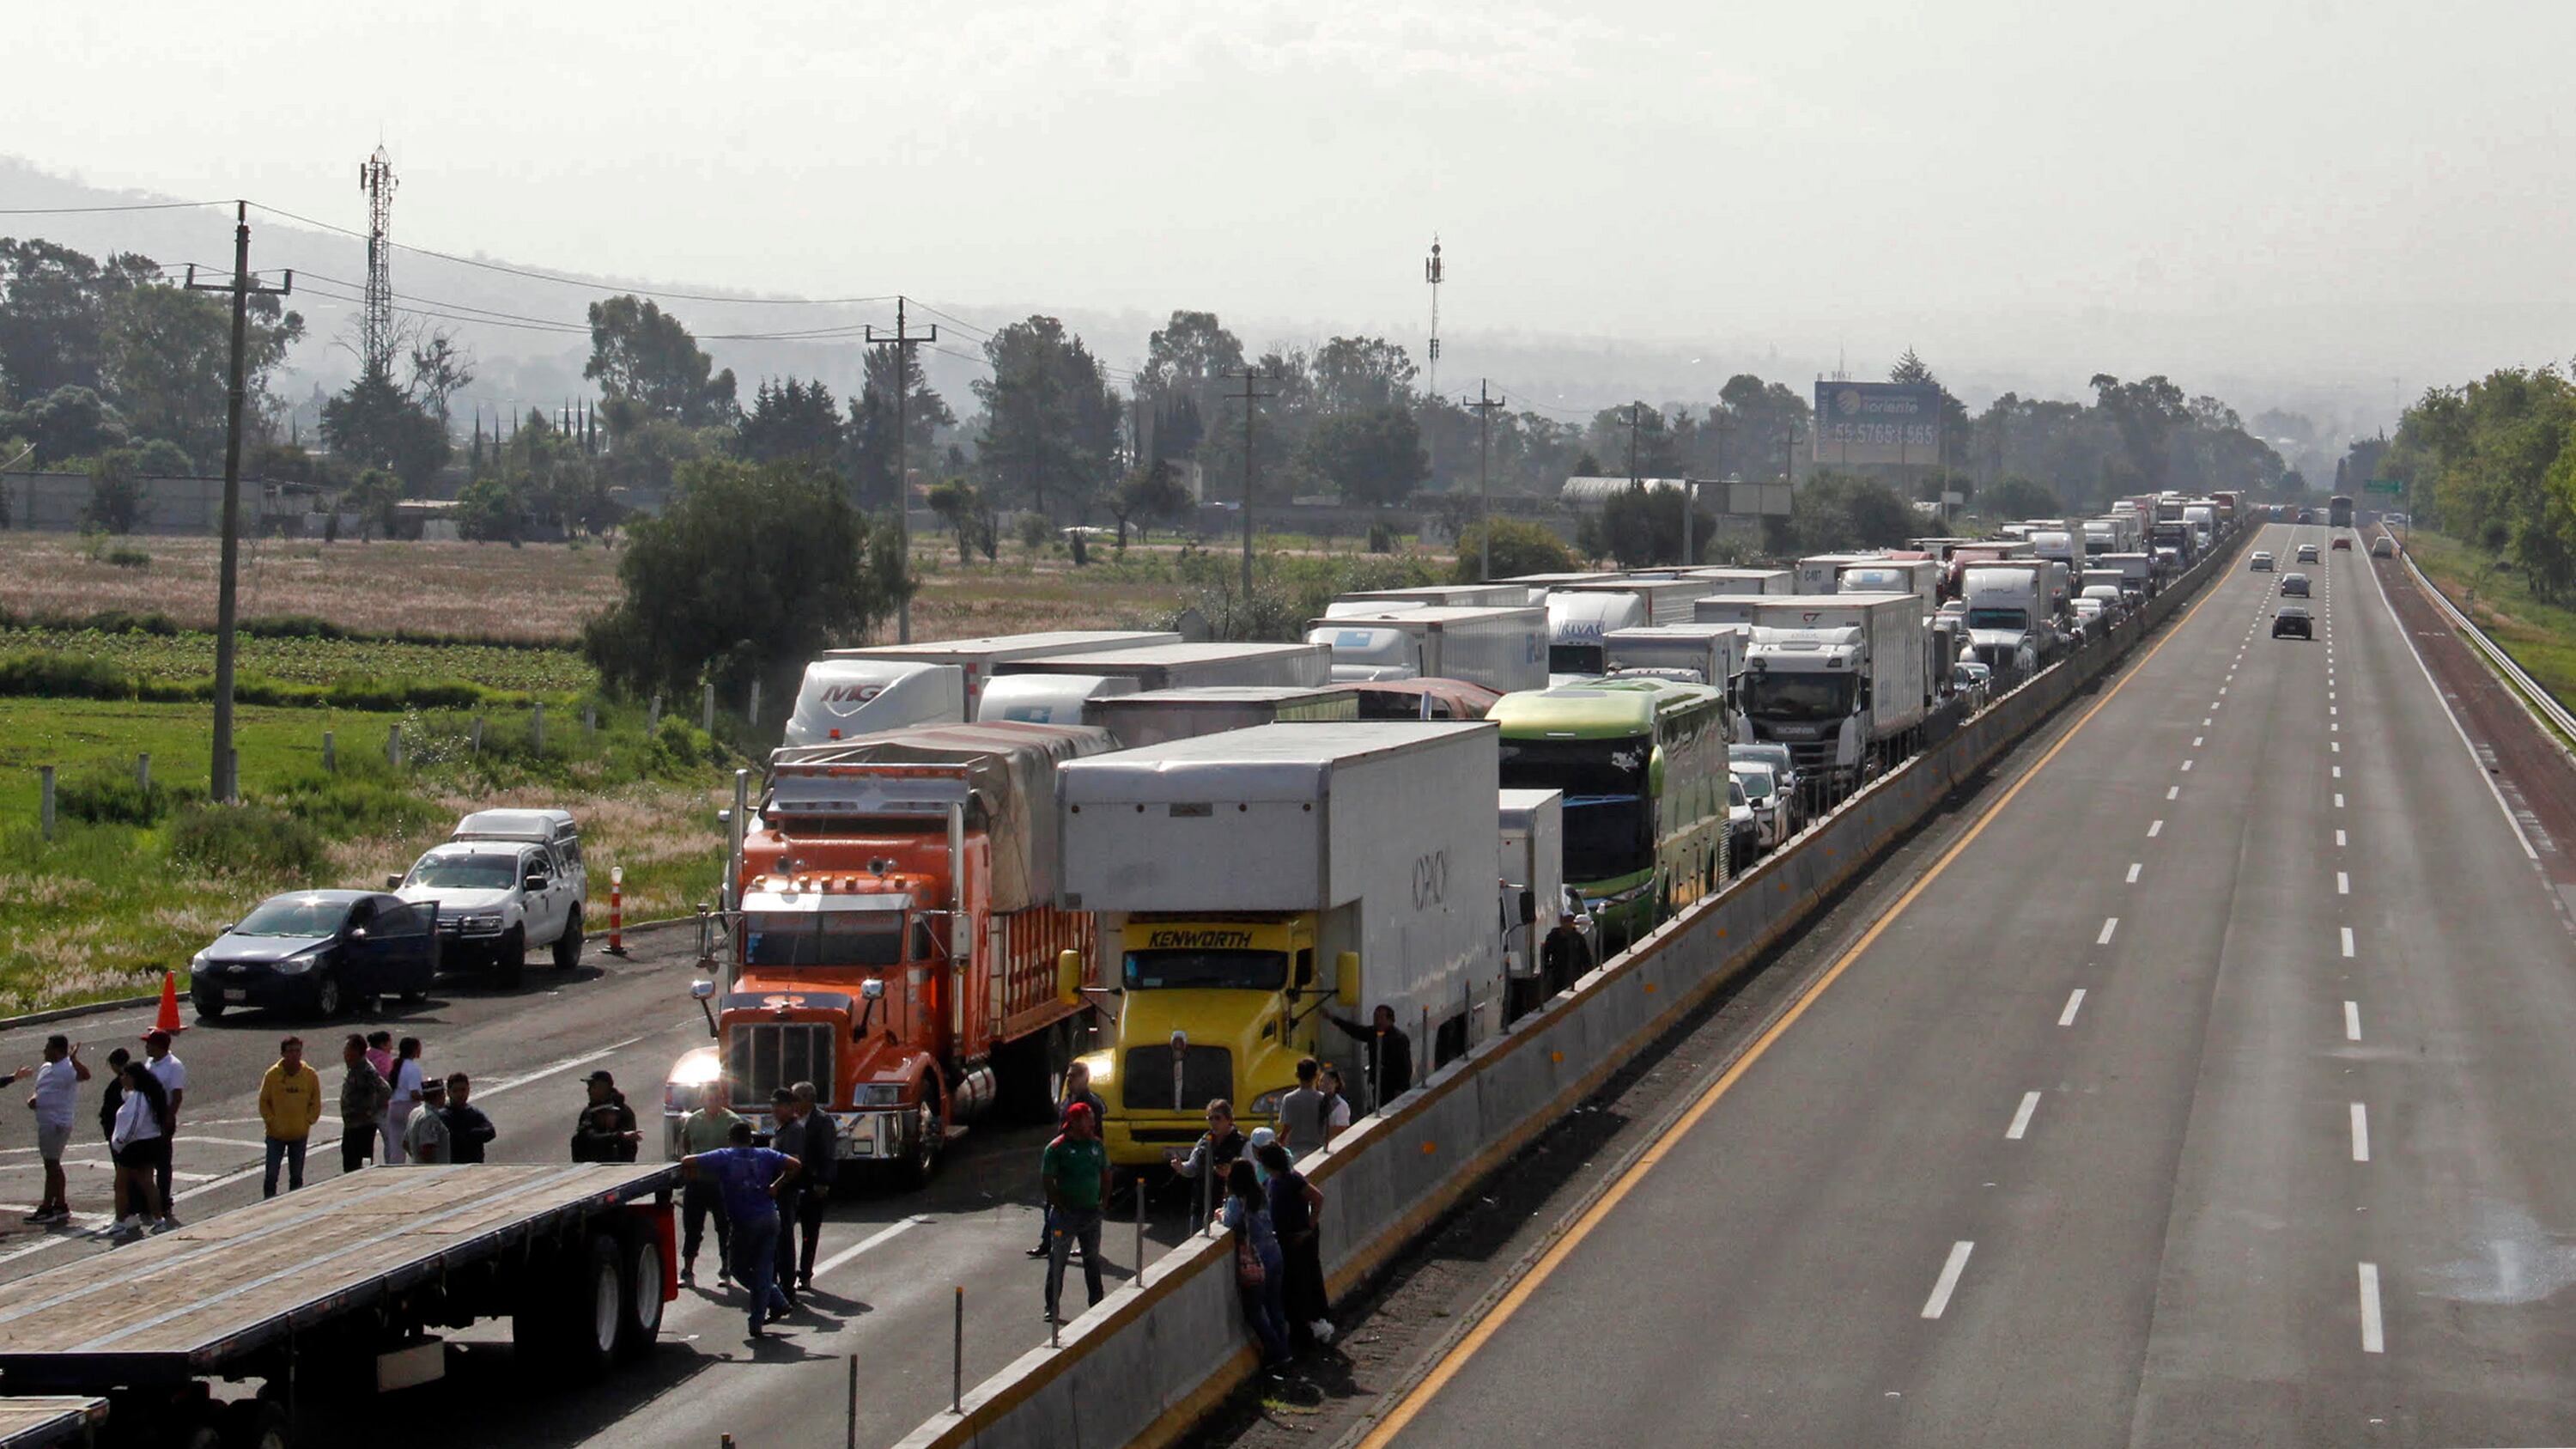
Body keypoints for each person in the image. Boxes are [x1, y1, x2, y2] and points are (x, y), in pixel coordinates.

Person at [679, 1121, 800, 1341]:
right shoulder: (765, 1154)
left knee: (739, 1268)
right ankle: (762, 1316)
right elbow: (795, 1164)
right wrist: (777, 1185)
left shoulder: (725, 1155)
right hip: (770, 1217)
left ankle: (774, 1300)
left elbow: (687, 1161)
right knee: (764, 1267)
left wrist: (696, 1176)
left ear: (730, 1139)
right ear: (751, 1139)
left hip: (744, 1221)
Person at [1256, 1139, 1333, 1349]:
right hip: (1283, 1241)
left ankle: (1309, 1329)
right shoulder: (1272, 1182)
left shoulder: (1292, 1180)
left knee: (1302, 1284)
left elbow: (1317, 1199)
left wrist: (1308, 1228)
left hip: (1299, 1241)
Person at [1029, 1062, 1109, 1257]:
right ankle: (1047, 1243)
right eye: (1068, 1076)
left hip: (1083, 1163)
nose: (1069, 1079)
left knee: (1086, 1208)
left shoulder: (1091, 1105)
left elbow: (1096, 1137)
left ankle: (1087, 1245)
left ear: (1085, 1079)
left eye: (1074, 1076)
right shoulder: (1067, 1101)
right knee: (1052, 1202)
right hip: (1063, 1161)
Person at [1217, 1158, 1290, 1368]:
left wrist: (1220, 1214)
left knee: (1255, 1311)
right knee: (1275, 1306)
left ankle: (1276, 1351)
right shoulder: (1262, 1194)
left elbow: (1229, 1221)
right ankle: (1285, 1351)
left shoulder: (1236, 1200)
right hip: (1274, 1251)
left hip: (1256, 1258)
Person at [1042, 1101, 1109, 1324]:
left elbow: (1106, 1172)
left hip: (1091, 1212)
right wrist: (1057, 1202)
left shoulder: (1097, 1146)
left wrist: (1104, 1201)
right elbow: (1047, 1178)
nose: (1092, 1121)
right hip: (1065, 1214)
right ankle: (1052, 1306)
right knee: (1058, 1260)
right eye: (1087, 1117)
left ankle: (1097, 1303)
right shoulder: (1057, 1148)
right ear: (1075, 1121)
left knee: (1092, 1259)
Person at [676, 1097, 747, 1285]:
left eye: (715, 1099)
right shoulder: (694, 1120)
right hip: (697, 1181)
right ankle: (688, 1270)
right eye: (708, 1098)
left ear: (721, 1100)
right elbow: (685, 1141)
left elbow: (740, 1149)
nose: (711, 1102)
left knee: (724, 1227)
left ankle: (726, 1269)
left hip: (721, 1183)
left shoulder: (732, 1121)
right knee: (692, 1227)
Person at [21, 1036, 88, 1223]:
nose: (44, 1051)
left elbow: (85, 1075)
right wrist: (35, 1098)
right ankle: (60, 1204)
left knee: (51, 1165)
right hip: (46, 1121)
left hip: (57, 1123)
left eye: (48, 1048)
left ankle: (46, 1208)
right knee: (53, 1164)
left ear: (58, 1050)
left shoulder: (68, 1068)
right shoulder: (46, 1067)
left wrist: (74, 1060)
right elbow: (41, 1088)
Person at [108, 1062, 170, 1241]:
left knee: (120, 1185)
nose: (122, 1079)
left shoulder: (139, 1098)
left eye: (125, 1076)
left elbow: (133, 1123)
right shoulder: (144, 1095)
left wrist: (119, 1143)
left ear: (133, 1077)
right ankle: (159, 1221)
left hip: (135, 1146)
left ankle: (120, 1222)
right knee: (147, 1182)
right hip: (147, 1143)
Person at [257, 1036, 323, 1198]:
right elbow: (264, 1102)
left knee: (297, 1175)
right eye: (291, 1051)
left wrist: (309, 1120)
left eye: (297, 1051)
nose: (295, 1055)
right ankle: (268, 1202)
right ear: (283, 1053)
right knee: (271, 1175)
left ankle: (294, 1202)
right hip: (276, 1135)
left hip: (299, 1133)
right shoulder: (272, 1075)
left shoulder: (309, 1074)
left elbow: (315, 1101)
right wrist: (272, 1121)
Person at [787, 1081, 837, 1294]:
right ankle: (786, 1275)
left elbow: (828, 1154)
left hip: (812, 1183)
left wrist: (823, 1182)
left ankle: (805, 1274)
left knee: (809, 1232)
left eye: (796, 1099)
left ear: (809, 1100)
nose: (793, 1104)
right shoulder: (790, 1121)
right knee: (785, 1230)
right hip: (791, 1183)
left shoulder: (822, 1122)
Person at [764, 1088, 808, 1306]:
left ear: (791, 1108)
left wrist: (776, 1185)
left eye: (779, 1105)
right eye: (773, 1105)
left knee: (784, 1243)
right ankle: (779, 1286)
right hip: (777, 1195)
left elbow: (794, 1166)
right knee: (776, 1242)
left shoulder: (794, 1131)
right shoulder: (780, 1129)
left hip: (785, 1195)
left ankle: (788, 1289)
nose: (774, 1109)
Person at [1323, 1005, 1413, 1109]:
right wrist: (1333, 1018)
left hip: (1394, 1088)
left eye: (1380, 1018)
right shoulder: (1373, 1033)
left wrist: (1400, 1089)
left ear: (1390, 1020)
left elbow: (1405, 1067)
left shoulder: (1399, 1038)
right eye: (1375, 1018)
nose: (1377, 1021)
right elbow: (1354, 1030)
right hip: (1379, 1087)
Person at [141, 1029, 185, 1227]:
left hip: (162, 1119)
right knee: (146, 1162)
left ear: (159, 1046)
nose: (146, 1046)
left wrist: (168, 1118)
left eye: (149, 1043)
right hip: (146, 1119)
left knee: (163, 1163)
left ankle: (164, 1201)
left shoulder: (174, 1066)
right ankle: (148, 1201)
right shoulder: (150, 1063)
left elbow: (176, 1095)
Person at [339, 1034, 391, 1174]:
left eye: (347, 1049)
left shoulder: (366, 1070)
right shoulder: (354, 1068)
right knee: (349, 1164)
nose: (344, 1053)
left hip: (362, 1127)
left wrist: (370, 1109)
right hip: (351, 1125)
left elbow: (385, 1090)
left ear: (355, 1051)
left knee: (360, 1168)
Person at [1167, 1099, 1248, 1186]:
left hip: (1231, 1196)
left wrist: (1232, 1173)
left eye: (1217, 1118)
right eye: (1210, 1118)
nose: (1213, 1122)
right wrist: (1181, 1167)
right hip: (1204, 1196)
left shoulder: (1242, 1143)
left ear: (1229, 1119)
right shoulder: (1204, 1141)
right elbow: (1192, 1168)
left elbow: (1253, 1173)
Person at [570, 1071, 640, 1161]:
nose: (588, 1091)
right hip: (589, 1165)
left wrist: (619, 1137)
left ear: (603, 1087)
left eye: (592, 1086)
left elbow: (628, 1147)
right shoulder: (588, 1112)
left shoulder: (623, 1112)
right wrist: (618, 1136)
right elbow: (587, 1137)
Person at [96, 1048, 130, 1225]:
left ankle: (126, 1213)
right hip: (125, 1133)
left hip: (119, 1135)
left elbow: (111, 1111)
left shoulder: (118, 1085)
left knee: (123, 1177)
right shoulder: (135, 1079)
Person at [381, 1037, 425, 1166]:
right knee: (415, 1142)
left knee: (396, 1145)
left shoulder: (396, 1065)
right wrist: (428, 1096)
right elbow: (414, 1094)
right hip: (409, 1107)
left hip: (394, 1106)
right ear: (414, 1050)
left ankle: (395, 1169)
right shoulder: (413, 1068)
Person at [1274, 1057, 1328, 1158]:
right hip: (1318, 1149)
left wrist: (1280, 1142)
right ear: (1316, 1075)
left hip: (1295, 1150)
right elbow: (1326, 1126)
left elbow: (1287, 1128)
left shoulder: (1289, 1099)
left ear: (1297, 1075)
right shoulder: (1323, 1099)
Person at [441, 1074, 497, 1165]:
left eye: (463, 1090)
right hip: (453, 1165)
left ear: (468, 1090)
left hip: (475, 1164)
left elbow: (490, 1132)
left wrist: (471, 1134)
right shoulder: (444, 1116)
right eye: (455, 1091)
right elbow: (455, 1138)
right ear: (448, 1092)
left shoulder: (473, 1113)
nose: (460, 1095)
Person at [402, 1078, 453, 1164]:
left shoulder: (415, 1112)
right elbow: (427, 1149)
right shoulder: (430, 1118)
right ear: (440, 1095)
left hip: (417, 1168)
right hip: (434, 1171)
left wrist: (416, 1159)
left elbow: (405, 1143)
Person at [1318, 1067, 1353, 1140]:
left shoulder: (1341, 1105)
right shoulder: (1315, 1100)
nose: (1323, 1084)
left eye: (1328, 1082)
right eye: (1321, 1081)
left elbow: (1341, 1129)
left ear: (1336, 1084)